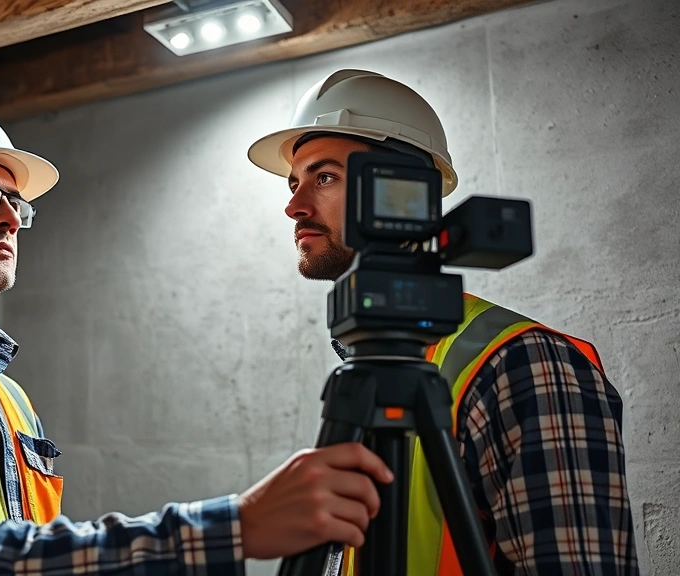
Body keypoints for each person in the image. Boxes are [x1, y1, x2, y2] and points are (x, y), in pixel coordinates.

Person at [0, 100, 395, 576]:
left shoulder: (7, 399)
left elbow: (30, 555)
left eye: (15, 203)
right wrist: (238, 526)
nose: (11, 219)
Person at [247, 69, 640, 575]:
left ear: (405, 189)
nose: (293, 207)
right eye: (294, 183)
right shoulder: (372, 363)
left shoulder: (524, 363)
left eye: (324, 177)